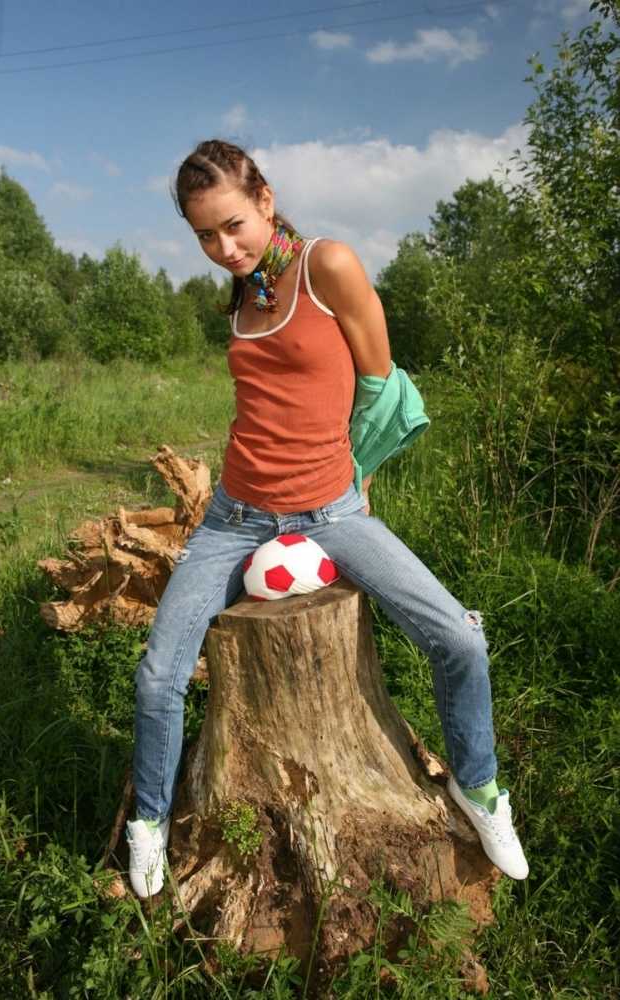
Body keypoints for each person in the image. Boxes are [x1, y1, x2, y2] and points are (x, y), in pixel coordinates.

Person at [126, 138, 529, 897]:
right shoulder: (244, 293)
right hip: (235, 516)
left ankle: (478, 789)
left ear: (266, 200)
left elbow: (383, 385)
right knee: (157, 678)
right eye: (206, 235)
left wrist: (358, 474)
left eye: (234, 225)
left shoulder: (327, 266)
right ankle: (148, 822)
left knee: (458, 639)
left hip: (330, 510)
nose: (225, 248)